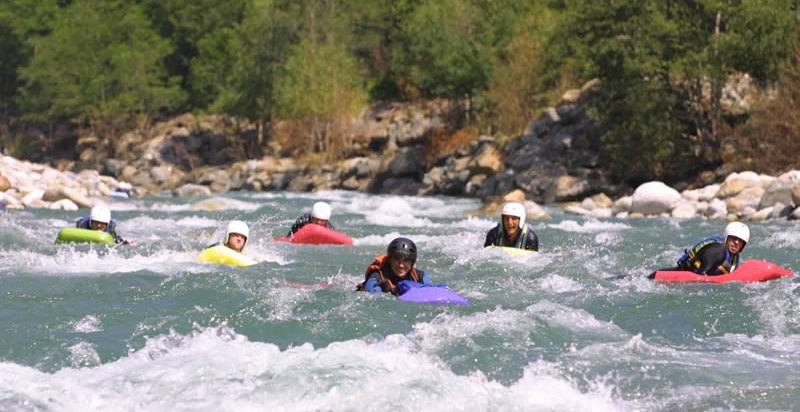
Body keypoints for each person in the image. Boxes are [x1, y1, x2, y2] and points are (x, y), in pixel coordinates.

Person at [648, 221, 750, 278]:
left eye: (741, 241)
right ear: (727, 238)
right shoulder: (719, 249)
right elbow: (701, 275)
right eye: (734, 238)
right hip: (673, 275)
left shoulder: (734, 259)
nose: (737, 242)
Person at [356, 237, 432, 295]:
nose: (401, 265)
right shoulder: (377, 278)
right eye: (397, 259)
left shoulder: (419, 277)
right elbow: (371, 296)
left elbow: (431, 293)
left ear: (412, 262)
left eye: (406, 260)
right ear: (390, 260)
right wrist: (393, 292)